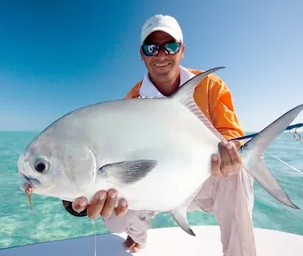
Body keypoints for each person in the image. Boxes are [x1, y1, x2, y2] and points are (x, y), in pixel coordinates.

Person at [63, 14, 256, 256]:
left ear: (182, 50)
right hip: (149, 189)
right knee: (113, 213)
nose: (161, 55)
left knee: (238, 173)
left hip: (201, 183)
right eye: (152, 47)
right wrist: (75, 196)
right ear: (142, 54)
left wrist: (232, 155)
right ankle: (138, 237)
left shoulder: (210, 86)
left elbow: (232, 137)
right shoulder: (131, 102)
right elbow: (114, 156)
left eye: (170, 46)